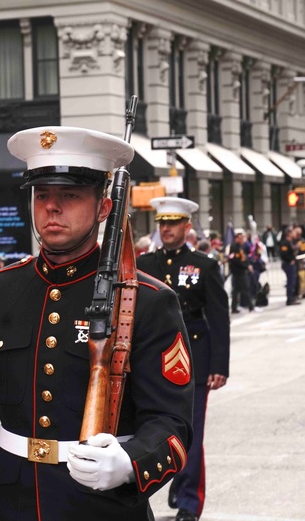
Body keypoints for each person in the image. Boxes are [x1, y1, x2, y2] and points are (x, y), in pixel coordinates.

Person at [0, 126, 194, 520]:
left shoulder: (148, 302)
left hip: (104, 505)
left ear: (103, 207)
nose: (52, 207)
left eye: (70, 195)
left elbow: (172, 423)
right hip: (12, 503)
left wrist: (129, 463)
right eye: (42, 194)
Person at [137, 197, 230, 521]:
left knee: (191, 431)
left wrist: (219, 365)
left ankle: (189, 502)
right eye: (162, 223)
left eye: (173, 223)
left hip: (193, 352)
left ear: (187, 226)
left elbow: (218, 317)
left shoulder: (204, 265)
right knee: (143, 428)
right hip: (150, 353)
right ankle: (139, 496)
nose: (166, 229)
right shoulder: (144, 264)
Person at [226, 229, 253, 313]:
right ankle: (250, 306)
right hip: (238, 272)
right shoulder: (234, 247)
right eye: (240, 238)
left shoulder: (240, 247)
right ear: (236, 238)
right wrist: (246, 266)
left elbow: (243, 258)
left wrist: (247, 264)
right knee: (245, 288)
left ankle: (234, 307)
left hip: (240, 271)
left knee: (236, 290)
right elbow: (236, 260)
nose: (242, 240)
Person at [278, 226, 302, 306]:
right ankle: (290, 299)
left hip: (292, 263)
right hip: (288, 264)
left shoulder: (291, 242)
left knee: (293, 281)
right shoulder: (285, 242)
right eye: (292, 232)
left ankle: (293, 297)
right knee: (290, 282)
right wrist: (290, 260)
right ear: (288, 233)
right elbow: (283, 254)